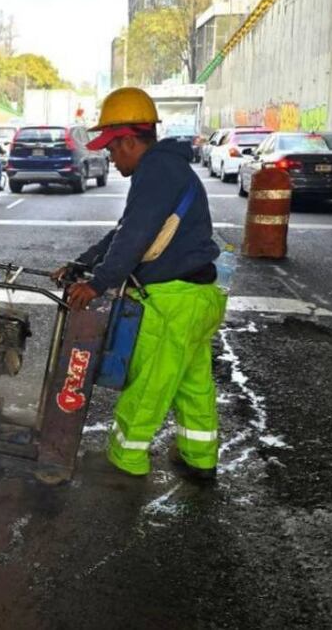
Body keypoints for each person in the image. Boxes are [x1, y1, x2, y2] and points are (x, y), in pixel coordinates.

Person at [54, 87, 228, 482]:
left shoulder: (156, 170)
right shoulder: (168, 169)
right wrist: (82, 262)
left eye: (113, 150)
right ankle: (200, 458)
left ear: (131, 141)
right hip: (197, 299)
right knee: (191, 385)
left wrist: (96, 285)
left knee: (147, 385)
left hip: (173, 302)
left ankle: (125, 460)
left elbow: (133, 239)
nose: (111, 160)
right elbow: (125, 230)